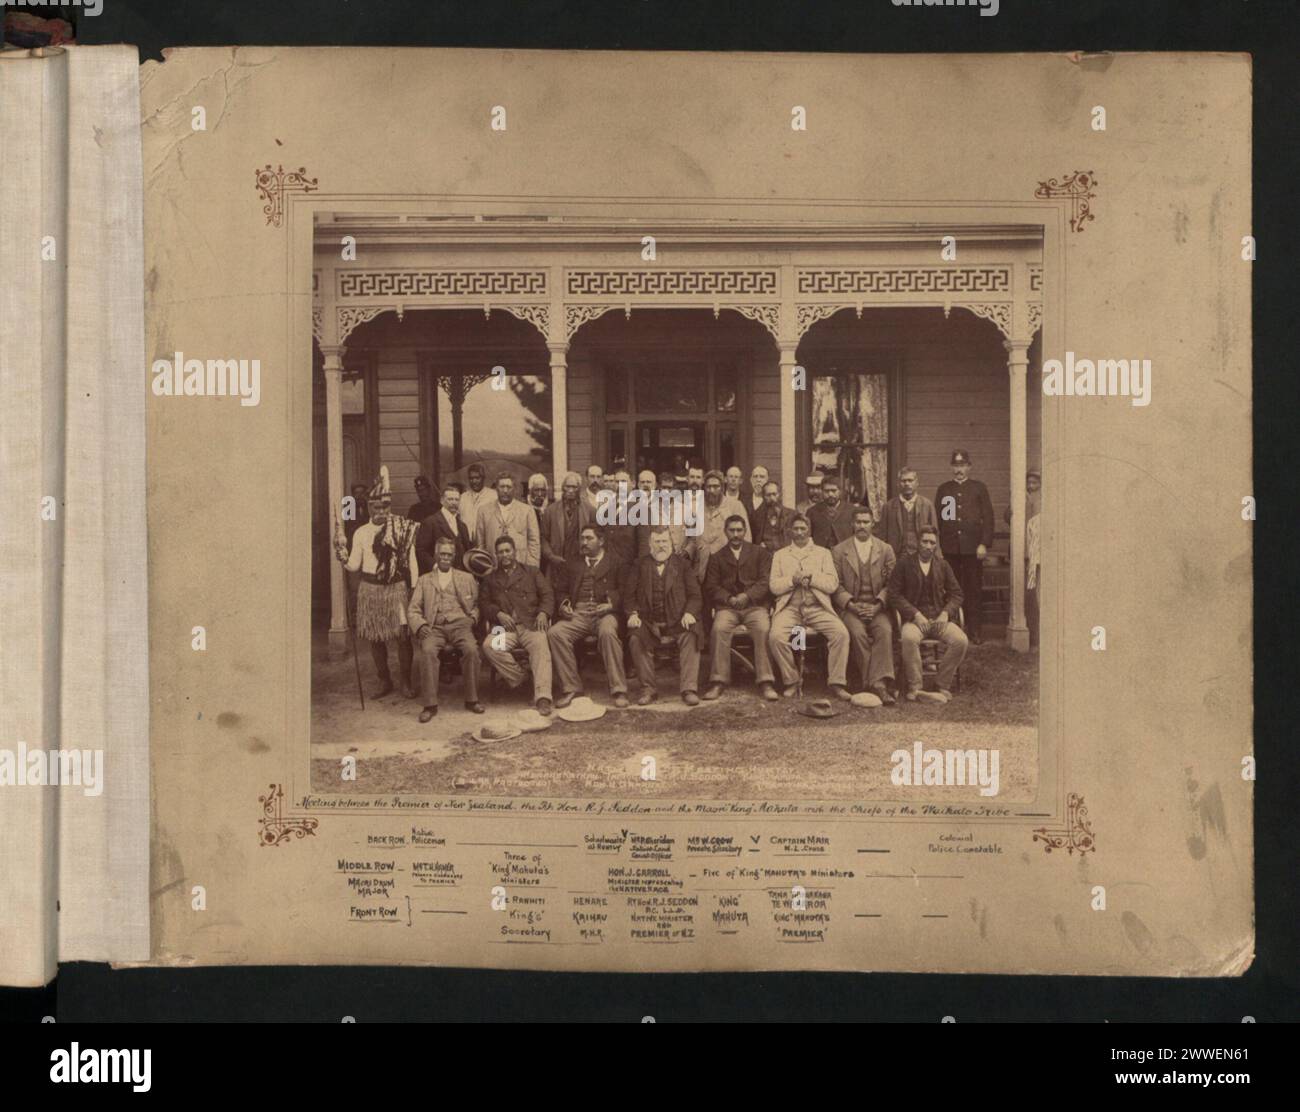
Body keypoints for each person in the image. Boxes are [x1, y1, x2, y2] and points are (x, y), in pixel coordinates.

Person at [336, 466, 418, 700]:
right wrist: (342, 557)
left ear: (389, 506)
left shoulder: (402, 528)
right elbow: (353, 566)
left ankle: (406, 681)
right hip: (370, 590)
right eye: (375, 507)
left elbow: (411, 561)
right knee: (375, 637)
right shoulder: (361, 533)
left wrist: (413, 589)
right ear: (369, 507)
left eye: (384, 506)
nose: (380, 511)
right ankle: (385, 681)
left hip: (397, 588)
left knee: (402, 636)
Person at [767, 515, 851, 700]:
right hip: (790, 608)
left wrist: (812, 577)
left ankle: (837, 683)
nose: (799, 533)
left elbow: (832, 585)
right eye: (795, 529)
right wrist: (792, 580)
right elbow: (773, 586)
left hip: (817, 607)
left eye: (802, 528)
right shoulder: (780, 555)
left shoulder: (823, 553)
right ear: (789, 531)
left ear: (809, 530)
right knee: (776, 637)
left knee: (841, 634)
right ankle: (791, 680)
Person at [547, 524, 630, 709]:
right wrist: (564, 605)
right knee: (555, 633)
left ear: (601, 541)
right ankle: (572, 688)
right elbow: (560, 590)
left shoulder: (617, 562)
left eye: (589, 538)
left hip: (605, 613)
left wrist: (611, 605)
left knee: (608, 632)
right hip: (579, 613)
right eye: (582, 538)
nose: (583, 543)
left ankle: (619, 689)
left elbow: (627, 591)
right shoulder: (573, 563)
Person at [888, 524, 968, 703]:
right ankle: (915, 687)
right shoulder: (904, 564)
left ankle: (942, 684)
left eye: (932, 542)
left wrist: (946, 613)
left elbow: (957, 594)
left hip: (939, 619)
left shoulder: (943, 565)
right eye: (924, 541)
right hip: (914, 620)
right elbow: (893, 594)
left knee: (961, 640)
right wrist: (915, 614)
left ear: (936, 544)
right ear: (917, 542)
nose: (928, 546)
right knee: (909, 638)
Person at [408, 537, 484, 720]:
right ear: (435, 555)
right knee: (427, 651)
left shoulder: (466, 578)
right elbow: (413, 609)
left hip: (460, 624)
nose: (445, 558)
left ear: (454, 556)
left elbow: (477, 604)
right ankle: (430, 705)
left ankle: (472, 699)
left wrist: (473, 618)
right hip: (434, 626)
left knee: (472, 650)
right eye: (442, 554)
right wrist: (421, 626)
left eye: (449, 555)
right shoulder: (424, 580)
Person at [702, 515, 777, 701]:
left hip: (754, 606)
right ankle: (718, 681)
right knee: (719, 629)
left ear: (745, 531)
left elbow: (765, 582)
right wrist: (728, 598)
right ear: (725, 532)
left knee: (763, 628)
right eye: (731, 530)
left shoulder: (759, 553)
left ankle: (766, 681)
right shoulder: (717, 557)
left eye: (739, 530)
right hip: (728, 607)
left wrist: (747, 596)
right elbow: (711, 586)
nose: (735, 534)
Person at [625, 527, 703, 706]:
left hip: (677, 620)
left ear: (672, 544)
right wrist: (632, 613)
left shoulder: (682, 565)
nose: (661, 546)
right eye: (657, 542)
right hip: (648, 621)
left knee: (692, 633)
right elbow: (628, 596)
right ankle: (648, 688)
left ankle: (689, 688)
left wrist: (690, 612)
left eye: (664, 542)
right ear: (650, 544)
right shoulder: (639, 564)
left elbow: (695, 595)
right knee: (636, 637)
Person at [480, 535, 555, 715]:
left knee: (540, 645)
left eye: (508, 550)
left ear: (515, 552)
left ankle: (543, 697)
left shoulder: (532, 572)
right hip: (503, 627)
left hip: (530, 623)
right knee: (489, 646)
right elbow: (483, 603)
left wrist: (544, 613)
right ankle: (522, 678)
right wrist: (498, 613)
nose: (504, 555)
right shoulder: (490, 578)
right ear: (496, 555)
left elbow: (548, 595)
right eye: (500, 552)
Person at [832, 507, 897, 704]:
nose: (862, 526)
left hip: (877, 607)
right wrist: (851, 605)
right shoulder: (839, 550)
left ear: (872, 525)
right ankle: (879, 684)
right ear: (852, 524)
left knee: (884, 631)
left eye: (866, 522)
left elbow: (893, 584)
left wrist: (878, 605)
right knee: (858, 633)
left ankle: (872, 683)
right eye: (858, 522)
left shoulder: (885, 549)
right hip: (852, 607)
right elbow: (836, 585)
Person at [935, 449, 994, 645]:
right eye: (956, 466)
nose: (959, 469)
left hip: (973, 550)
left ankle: (974, 630)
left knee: (973, 589)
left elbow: (988, 519)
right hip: (951, 549)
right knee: (951, 589)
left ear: (969, 467)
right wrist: (941, 547)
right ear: (952, 467)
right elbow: (944, 520)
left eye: (962, 466)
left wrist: (984, 544)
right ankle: (952, 628)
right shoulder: (945, 490)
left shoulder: (978, 488)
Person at [475, 471, 541, 569]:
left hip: (521, 567)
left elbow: (534, 542)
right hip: (493, 568)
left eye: (508, 487)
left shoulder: (527, 511)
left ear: (514, 489)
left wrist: (532, 569)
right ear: (496, 488)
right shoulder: (484, 511)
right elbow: (480, 543)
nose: (505, 490)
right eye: (502, 487)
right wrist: (485, 568)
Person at [881, 466, 940, 559]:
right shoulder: (888, 507)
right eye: (903, 481)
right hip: (896, 557)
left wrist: (936, 557)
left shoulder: (927, 505)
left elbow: (935, 535)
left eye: (910, 480)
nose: (907, 484)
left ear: (917, 483)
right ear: (898, 484)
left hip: (921, 556)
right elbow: (882, 537)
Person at [540, 471, 592, 574]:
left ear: (579, 489)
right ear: (563, 488)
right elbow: (543, 538)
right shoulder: (551, 511)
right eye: (568, 487)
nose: (571, 490)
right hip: (557, 565)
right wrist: (551, 556)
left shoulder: (590, 510)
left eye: (574, 487)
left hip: (581, 564)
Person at [415, 485, 472, 575]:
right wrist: (435, 566)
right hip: (439, 575)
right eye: (450, 499)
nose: (454, 503)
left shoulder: (462, 526)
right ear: (442, 501)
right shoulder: (430, 522)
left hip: (460, 576)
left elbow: (467, 552)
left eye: (456, 500)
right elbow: (421, 551)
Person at [807, 475, 855, 550]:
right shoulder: (812, 512)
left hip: (845, 554)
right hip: (820, 554)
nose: (830, 494)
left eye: (833, 491)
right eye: (827, 491)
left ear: (840, 491)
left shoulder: (852, 510)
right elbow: (808, 537)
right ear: (822, 492)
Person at [753, 479, 798, 552]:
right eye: (768, 495)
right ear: (763, 497)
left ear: (780, 494)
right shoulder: (757, 517)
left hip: (786, 555)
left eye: (774, 494)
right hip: (766, 556)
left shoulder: (792, 514)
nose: (772, 498)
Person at [458, 463, 489, 540]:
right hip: (466, 542)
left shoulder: (493, 496)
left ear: (483, 478)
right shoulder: (462, 497)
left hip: (486, 540)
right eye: (471, 478)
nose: (474, 481)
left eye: (477, 478)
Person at [745, 464, 770, 534]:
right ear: (751, 480)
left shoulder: (772, 502)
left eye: (762, 477)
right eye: (755, 477)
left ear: (767, 480)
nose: (758, 480)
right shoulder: (742, 500)